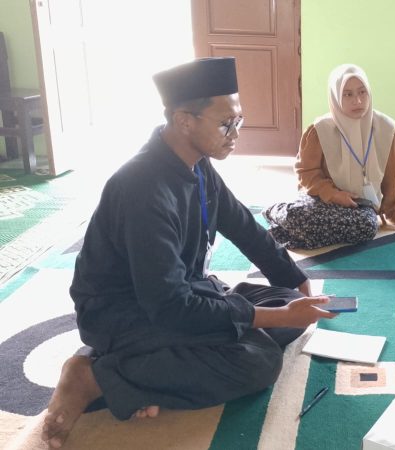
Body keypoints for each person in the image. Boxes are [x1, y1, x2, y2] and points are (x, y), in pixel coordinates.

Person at [41, 57, 337, 449]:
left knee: (288, 307)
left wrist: (294, 282)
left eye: (238, 120)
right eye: (225, 123)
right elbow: (169, 306)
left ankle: (152, 372)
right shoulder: (143, 188)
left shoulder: (196, 166)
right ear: (184, 121)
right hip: (126, 313)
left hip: (183, 293)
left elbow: (243, 226)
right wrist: (269, 317)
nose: (235, 133)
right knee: (259, 362)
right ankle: (93, 378)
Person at [263, 64, 395, 249]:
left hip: (359, 206)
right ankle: (276, 211)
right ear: (335, 96)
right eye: (347, 94)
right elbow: (306, 173)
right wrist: (333, 194)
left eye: (362, 92)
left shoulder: (387, 128)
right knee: (297, 215)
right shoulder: (320, 130)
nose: (357, 101)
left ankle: (283, 231)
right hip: (322, 199)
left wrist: (394, 212)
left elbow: (394, 177)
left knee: (367, 227)